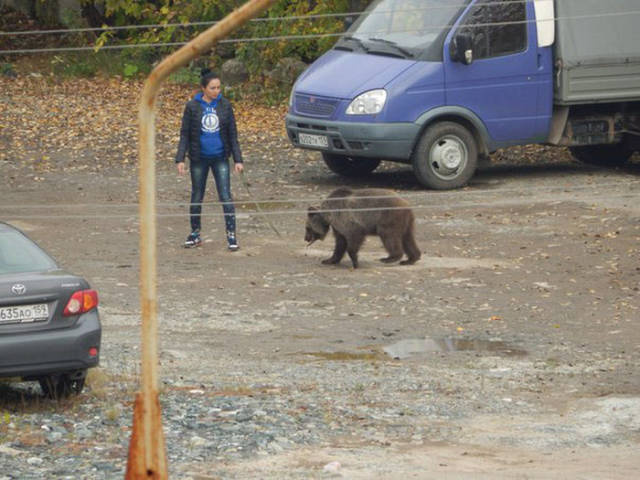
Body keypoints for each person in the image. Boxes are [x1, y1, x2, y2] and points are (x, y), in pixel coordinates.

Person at [175, 68, 243, 251]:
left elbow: (232, 134)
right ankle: (195, 233)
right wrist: (180, 159)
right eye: (213, 88)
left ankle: (231, 235)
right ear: (203, 88)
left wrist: (238, 159)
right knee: (197, 195)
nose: (217, 91)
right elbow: (185, 134)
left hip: (220, 157)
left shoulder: (225, 106)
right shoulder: (192, 107)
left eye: (219, 88)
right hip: (199, 158)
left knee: (226, 195)